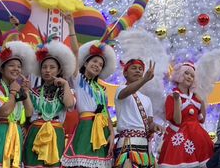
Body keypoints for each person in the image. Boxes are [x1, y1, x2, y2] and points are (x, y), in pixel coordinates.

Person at [0, 30, 36, 168]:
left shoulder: (16, 87)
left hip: (14, 135)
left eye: (19, 66)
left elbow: (29, 112)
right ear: (1, 68)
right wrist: (12, 93)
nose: (16, 69)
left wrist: (26, 92)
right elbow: (4, 112)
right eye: (11, 65)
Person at [62, 34, 116, 168]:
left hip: (102, 130)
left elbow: (106, 113)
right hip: (86, 127)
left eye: (100, 65)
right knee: (81, 163)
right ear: (85, 63)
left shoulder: (101, 89)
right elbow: (75, 52)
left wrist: (112, 132)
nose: (97, 65)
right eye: (94, 62)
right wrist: (71, 27)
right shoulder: (78, 79)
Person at [24, 35, 76, 168]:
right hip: (36, 132)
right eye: (44, 67)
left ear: (59, 70)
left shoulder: (65, 90)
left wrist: (65, 85)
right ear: (40, 70)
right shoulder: (33, 91)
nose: (47, 70)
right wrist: (25, 92)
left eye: (52, 67)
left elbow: (70, 105)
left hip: (56, 132)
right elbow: (29, 114)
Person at [158, 62, 214, 168]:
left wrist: (202, 102)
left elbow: (201, 119)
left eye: (192, 75)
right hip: (179, 137)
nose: (189, 77)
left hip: (198, 137)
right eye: (186, 73)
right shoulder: (172, 97)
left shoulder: (195, 97)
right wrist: (177, 101)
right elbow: (177, 121)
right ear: (179, 74)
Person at [114, 58, 157, 168]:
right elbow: (127, 92)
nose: (138, 71)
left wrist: (155, 126)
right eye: (134, 68)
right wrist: (144, 80)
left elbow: (149, 123)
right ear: (125, 73)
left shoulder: (147, 99)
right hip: (128, 142)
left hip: (144, 144)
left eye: (140, 69)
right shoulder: (121, 89)